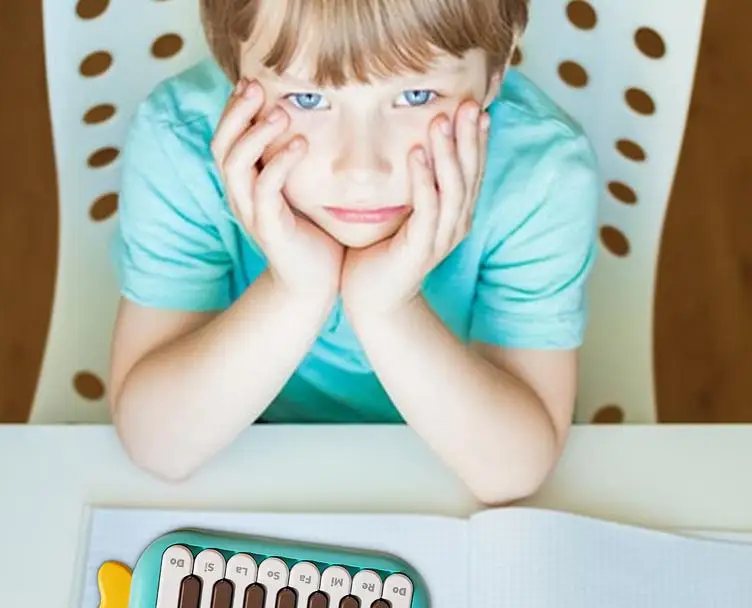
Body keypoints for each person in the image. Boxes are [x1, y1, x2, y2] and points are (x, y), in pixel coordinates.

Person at [108, 0, 600, 504]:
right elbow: (157, 445)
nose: (361, 168)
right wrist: (296, 289)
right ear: (235, 70)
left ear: (494, 75)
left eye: (416, 94)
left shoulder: (541, 174)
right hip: (247, 460)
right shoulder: (182, 145)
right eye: (306, 99)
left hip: (447, 470)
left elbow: (513, 470)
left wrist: (387, 306)